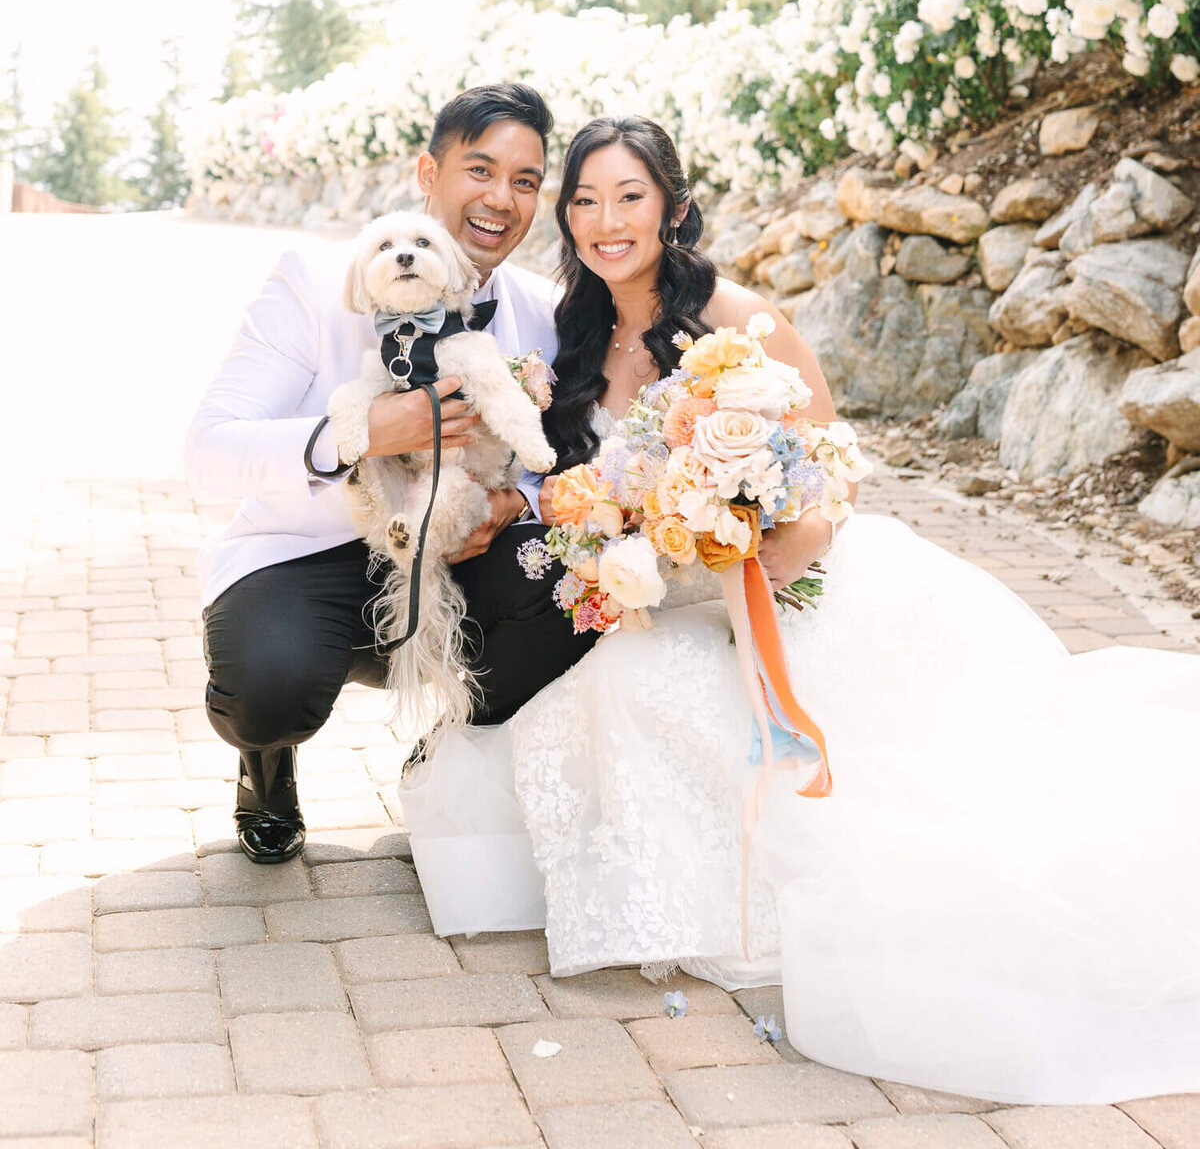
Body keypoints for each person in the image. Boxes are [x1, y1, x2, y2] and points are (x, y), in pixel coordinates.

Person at [402, 114, 1200, 1107]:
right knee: (591, 685)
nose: (606, 220)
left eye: (630, 197)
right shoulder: (570, 331)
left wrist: (774, 552)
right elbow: (579, 481)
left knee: (663, 698)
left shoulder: (739, 321)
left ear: (675, 208)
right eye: (586, 200)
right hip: (656, 594)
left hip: (778, 586)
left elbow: (832, 474)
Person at [185, 83, 597, 863]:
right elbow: (209, 449)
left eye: (524, 181)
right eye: (480, 169)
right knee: (268, 689)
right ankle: (266, 764)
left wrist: (511, 502)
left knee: (573, 582)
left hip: (456, 548)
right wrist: (367, 433)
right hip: (310, 553)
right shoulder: (313, 282)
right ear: (427, 172)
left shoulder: (542, 311)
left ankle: (451, 758)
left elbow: (570, 461)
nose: (500, 200)